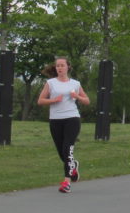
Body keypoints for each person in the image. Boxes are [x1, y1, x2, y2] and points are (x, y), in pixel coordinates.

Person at [37, 57, 90, 193]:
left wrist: (77, 96)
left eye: (62, 65)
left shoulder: (75, 84)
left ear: (68, 67)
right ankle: (74, 165)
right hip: (55, 120)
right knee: (62, 153)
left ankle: (66, 182)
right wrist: (54, 100)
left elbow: (87, 101)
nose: (59, 68)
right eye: (57, 66)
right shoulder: (50, 83)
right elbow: (40, 101)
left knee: (67, 149)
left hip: (72, 118)